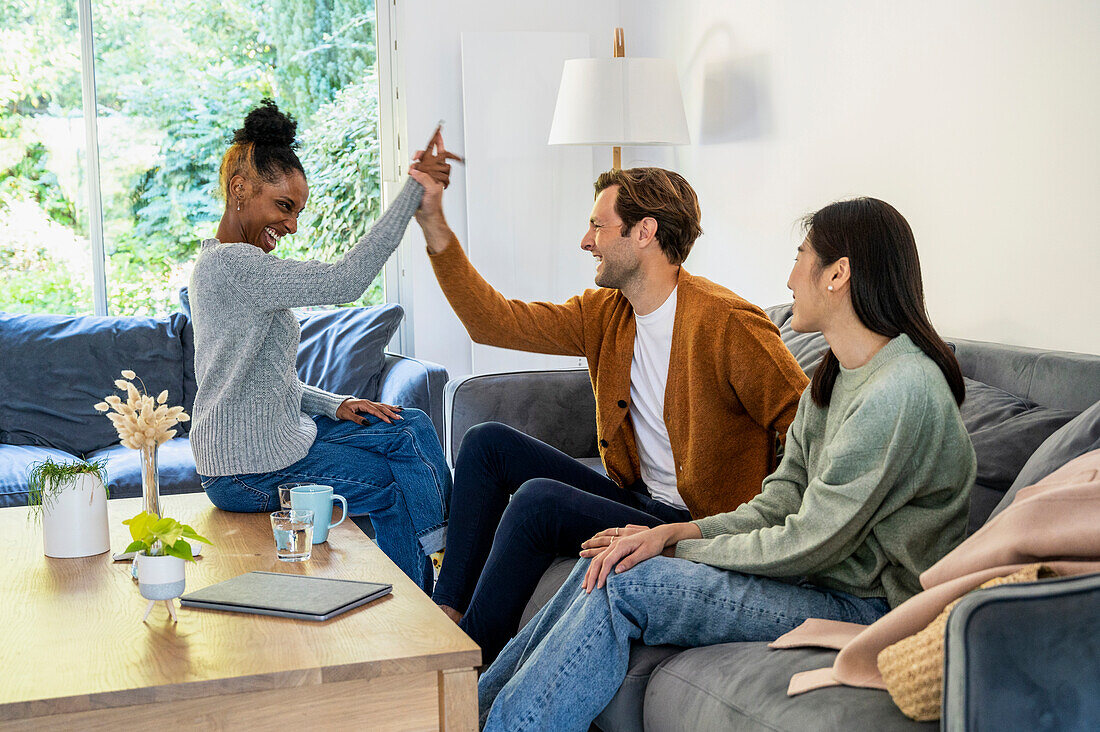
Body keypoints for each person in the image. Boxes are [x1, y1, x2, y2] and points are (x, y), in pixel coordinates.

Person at [476, 197, 977, 731]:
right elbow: (781, 500)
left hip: (871, 609)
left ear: (838, 274)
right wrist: (672, 530)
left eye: (800, 256)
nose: (788, 280)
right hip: (820, 583)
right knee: (607, 561)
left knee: (627, 582)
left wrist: (676, 545)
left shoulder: (900, 392)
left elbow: (810, 540)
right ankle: (468, 714)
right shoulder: (835, 380)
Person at [412, 162, 809, 662]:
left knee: (537, 502)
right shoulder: (606, 312)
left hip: (701, 529)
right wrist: (434, 225)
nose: (586, 240)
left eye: (598, 226)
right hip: (639, 502)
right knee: (487, 444)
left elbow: (813, 427)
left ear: (645, 232)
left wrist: (774, 536)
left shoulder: (729, 324)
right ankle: (444, 618)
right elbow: (491, 321)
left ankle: (468, 662)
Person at [189, 99, 457, 591]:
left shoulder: (226, 265)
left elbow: (264, 379)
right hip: (247, 470)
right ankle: (439, 583)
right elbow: (345, 281)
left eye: (297, 211)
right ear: (240, 189)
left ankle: (444, 555)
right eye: (284, 207)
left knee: (410, 424)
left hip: (268, 445)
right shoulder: (234, 267)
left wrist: (338, 404)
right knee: (395, 483)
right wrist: (414, 191)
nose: (292, 225)